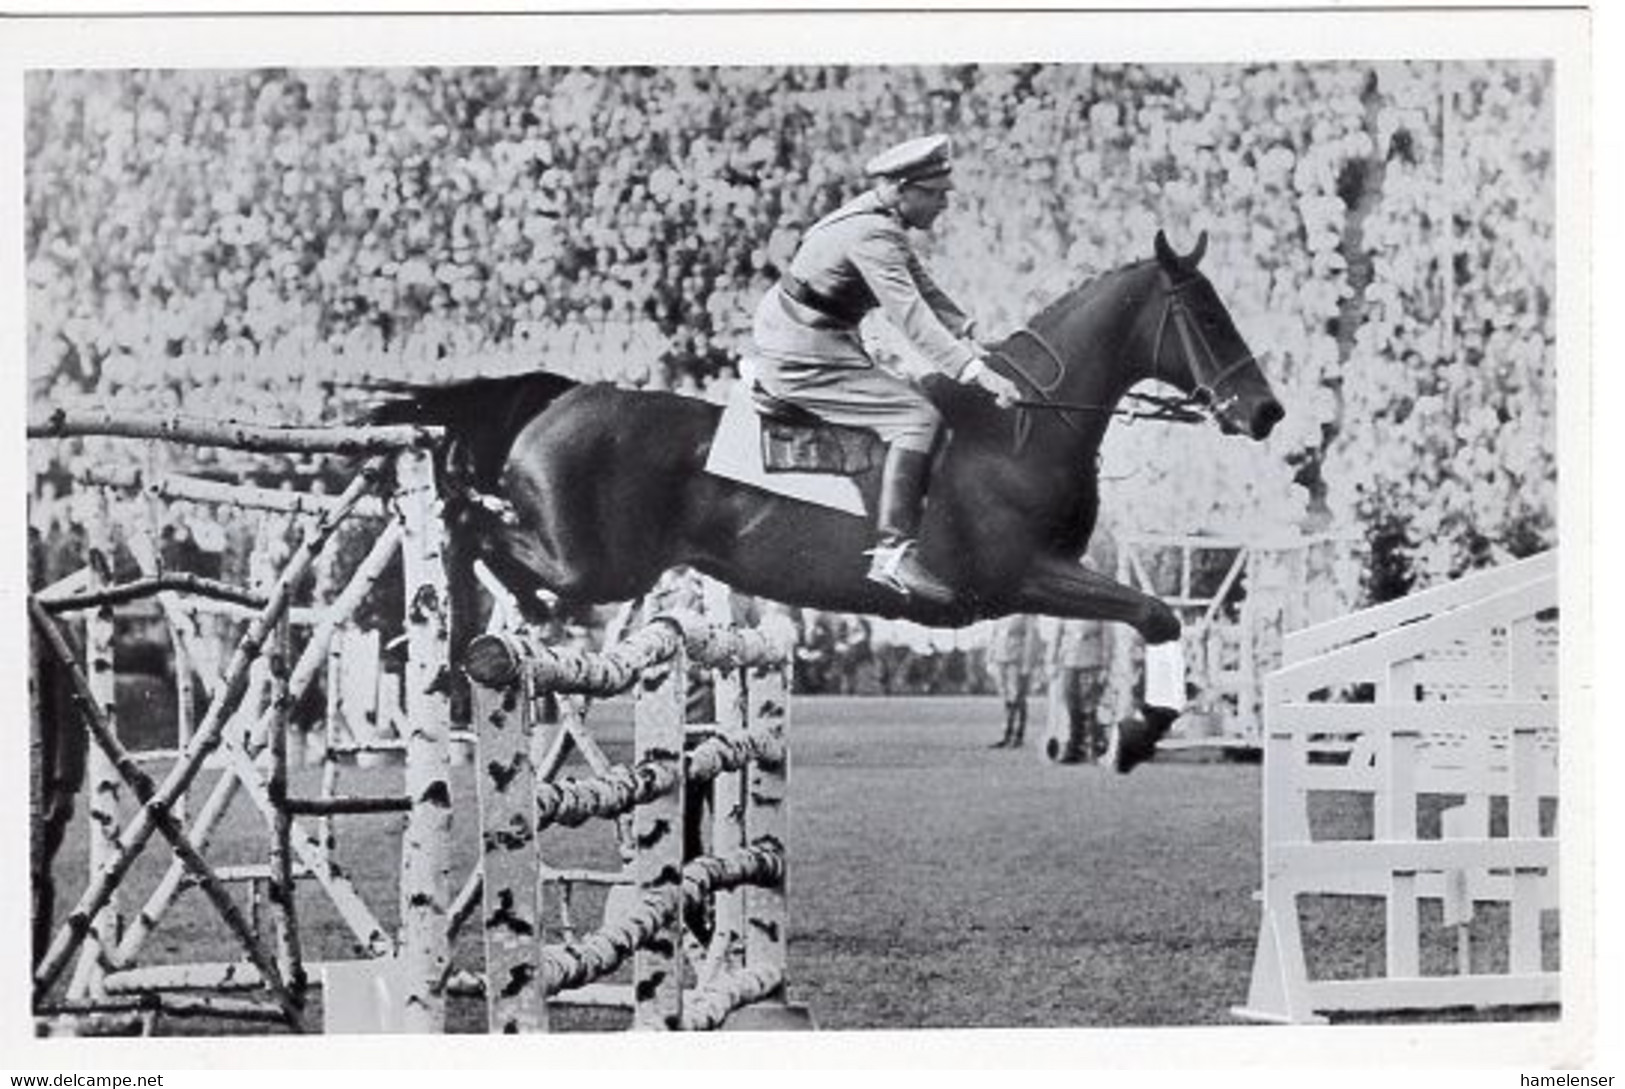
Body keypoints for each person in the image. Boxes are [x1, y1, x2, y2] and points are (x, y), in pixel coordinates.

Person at [746, 134, 1022, 604]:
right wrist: (976, 372)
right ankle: (892, 553)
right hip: (802, 352)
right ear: (900, 189)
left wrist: (975, 334)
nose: (942, 204)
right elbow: (911, 315)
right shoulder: (873, 234)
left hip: (817, 336)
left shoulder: (879, 220)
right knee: (917, 417)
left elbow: (926, 289)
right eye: (934, 194)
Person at [986, 613, 1046, 749]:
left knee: (1017, 697)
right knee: (1006, 698)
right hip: (1001, 657)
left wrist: (1027, 662)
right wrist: (990, 658)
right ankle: (1006, 734)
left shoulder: (1026, 615)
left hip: (1016, 659)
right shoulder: (1000, 613)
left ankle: (1017, 735)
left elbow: (1031, 638)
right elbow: (993, 635)